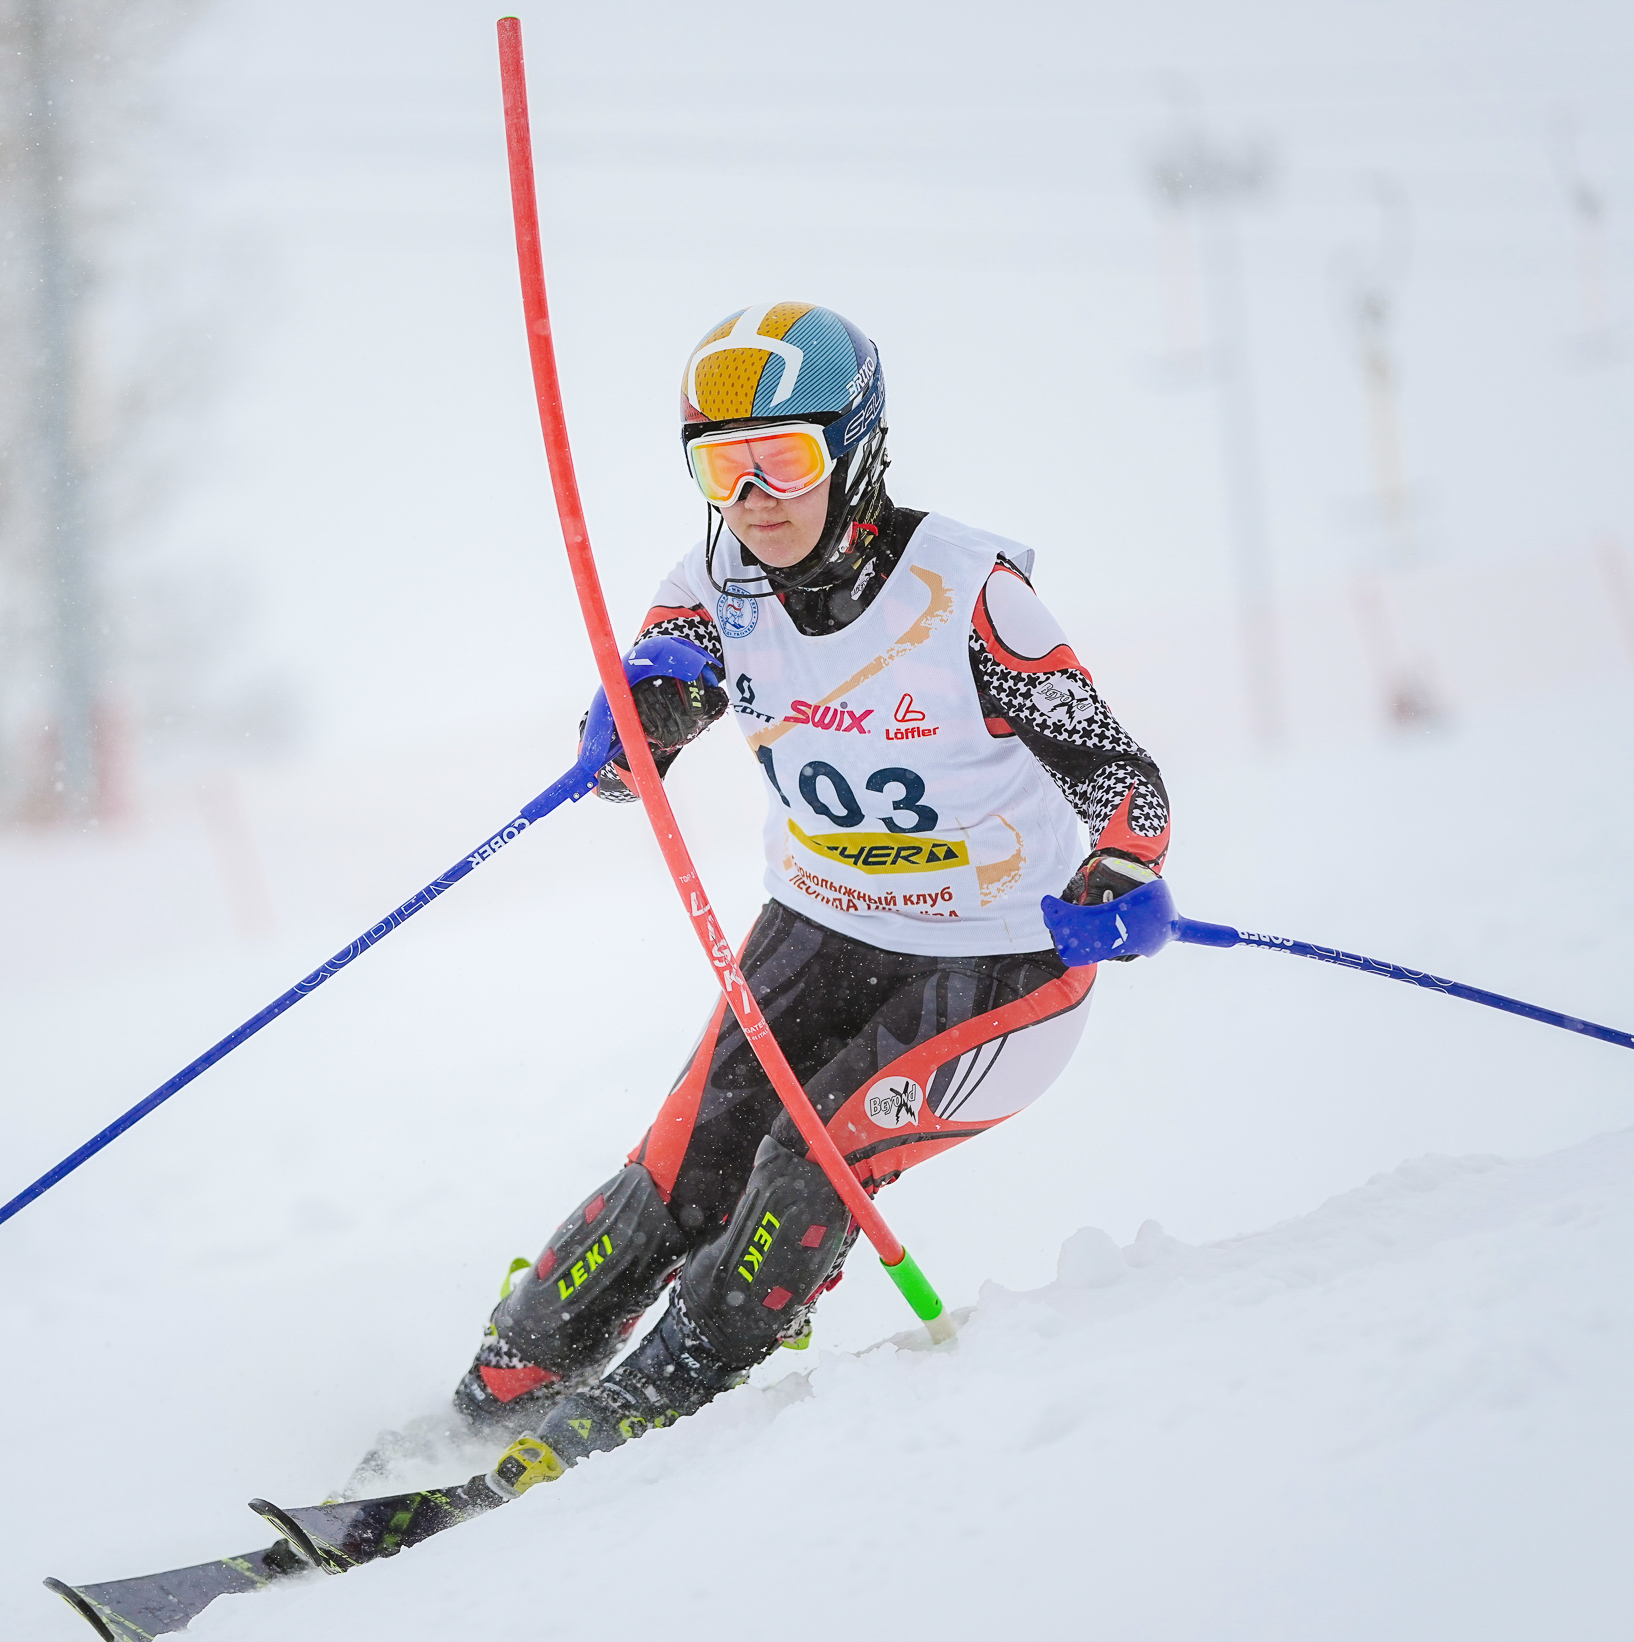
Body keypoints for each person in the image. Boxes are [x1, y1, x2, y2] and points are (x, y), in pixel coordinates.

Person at [454, 301, 1173, 1497]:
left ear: (856, 450)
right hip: (820, 928)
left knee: (808, 1160)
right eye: (720, 468)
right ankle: (485, 1402)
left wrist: (1123, 869)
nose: (754, 498)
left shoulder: (969, 592)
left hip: (1003, 961)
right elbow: (643, 736)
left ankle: (653, 1399)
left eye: (782, 460)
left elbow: (1114, 772)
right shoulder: (714, 585)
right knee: (675, 1181)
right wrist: (634, 731)